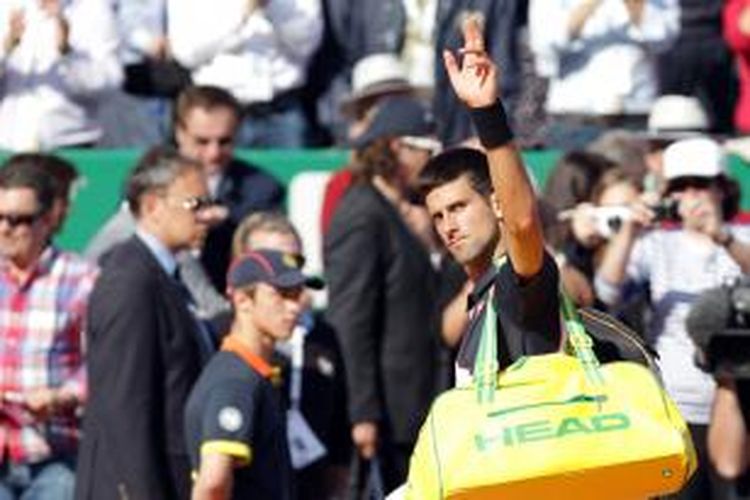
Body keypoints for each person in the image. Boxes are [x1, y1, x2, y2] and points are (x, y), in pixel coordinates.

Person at [595, 136, 750, 499]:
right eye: (680, 187)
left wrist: (722, 237)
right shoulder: (656, 245)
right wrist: (631, 228)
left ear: (722, 189)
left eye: (701, 185)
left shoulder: (741, 236)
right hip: (675, 402)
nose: (691, 196)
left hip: (741, 401)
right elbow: (607, 291)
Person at [418, 16, 561, 386]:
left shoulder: (518, 278)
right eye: (438, 216)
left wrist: (487, 113)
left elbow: (523, 223)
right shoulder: (477, 293)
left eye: (459, 208)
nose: (448, 225)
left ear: (497, 204)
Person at [75, 147, 214, 500]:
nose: (207, 216)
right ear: (153, 206)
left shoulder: (164, 276)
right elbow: (125, 404)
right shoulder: (131, 281)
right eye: (195, 205)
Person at [324, 94, 442, 493]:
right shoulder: (361, 215)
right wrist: (363, 413)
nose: (431, 161)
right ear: (396, 148)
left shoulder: (394, 210)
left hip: (415, 405)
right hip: (391, 413)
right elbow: (350, 320)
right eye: (425, 149)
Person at [232, 212, 350, 500]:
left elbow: (338, 429)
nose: (285, 273)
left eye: (294, 263)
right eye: (270, 261)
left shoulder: (323, 336)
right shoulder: (223, 342)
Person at [0, 156, 97, 499]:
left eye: (18, 220)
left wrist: (64, 395)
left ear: (47, 220)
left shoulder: (82, 278)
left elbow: (103, 359)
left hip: (55, 454)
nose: (4, 229)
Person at [185, 249, 316, 500]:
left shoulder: (253, 374)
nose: (293, 307)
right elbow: (212, 484)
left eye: (297, 294)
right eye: (281, 294)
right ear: (242, 300)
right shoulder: (236, 382)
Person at [168, 0, 323, 147]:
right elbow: (186, 53)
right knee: (216, 174)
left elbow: (306, 45)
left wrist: (271, 7)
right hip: (217, 113)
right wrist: (243, 15)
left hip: (282, 111)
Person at [529, 0, 680, 150]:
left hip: (636, 111)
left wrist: (635, 4)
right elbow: (543, 41)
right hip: (577, 116)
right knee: (573, 173)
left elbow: (666, 36)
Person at [0, 0, 122, 151]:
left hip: (68, 144)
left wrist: (68, 55)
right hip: (9, 144)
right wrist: (5, 50)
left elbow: (110, 83)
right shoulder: (7, 7)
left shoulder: (93, 9)